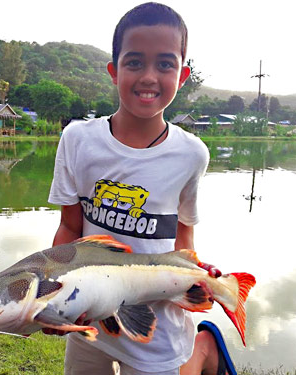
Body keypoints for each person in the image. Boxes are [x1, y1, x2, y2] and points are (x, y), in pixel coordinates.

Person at [48, 2, 231, 374]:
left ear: (182, 76)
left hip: (158, 319)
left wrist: (192, 273)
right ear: (114, 72)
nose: (149, 76)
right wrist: (54, 294)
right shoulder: (77, 140)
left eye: (165, 64)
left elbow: (182, 230)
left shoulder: (192, 154)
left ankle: (204, 349)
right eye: (134, 62)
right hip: (90, 317)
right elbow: (70, 228)